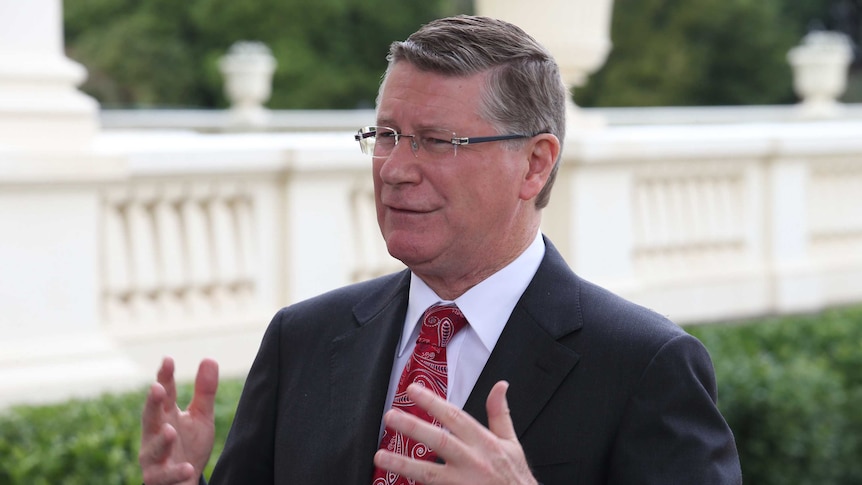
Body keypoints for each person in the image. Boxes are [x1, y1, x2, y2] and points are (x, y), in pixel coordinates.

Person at [139, 15, 742, 485]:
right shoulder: (302, 340)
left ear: (535, 164)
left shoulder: (645, 365)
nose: (396, 168)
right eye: (387, 136)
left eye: (436, 141)